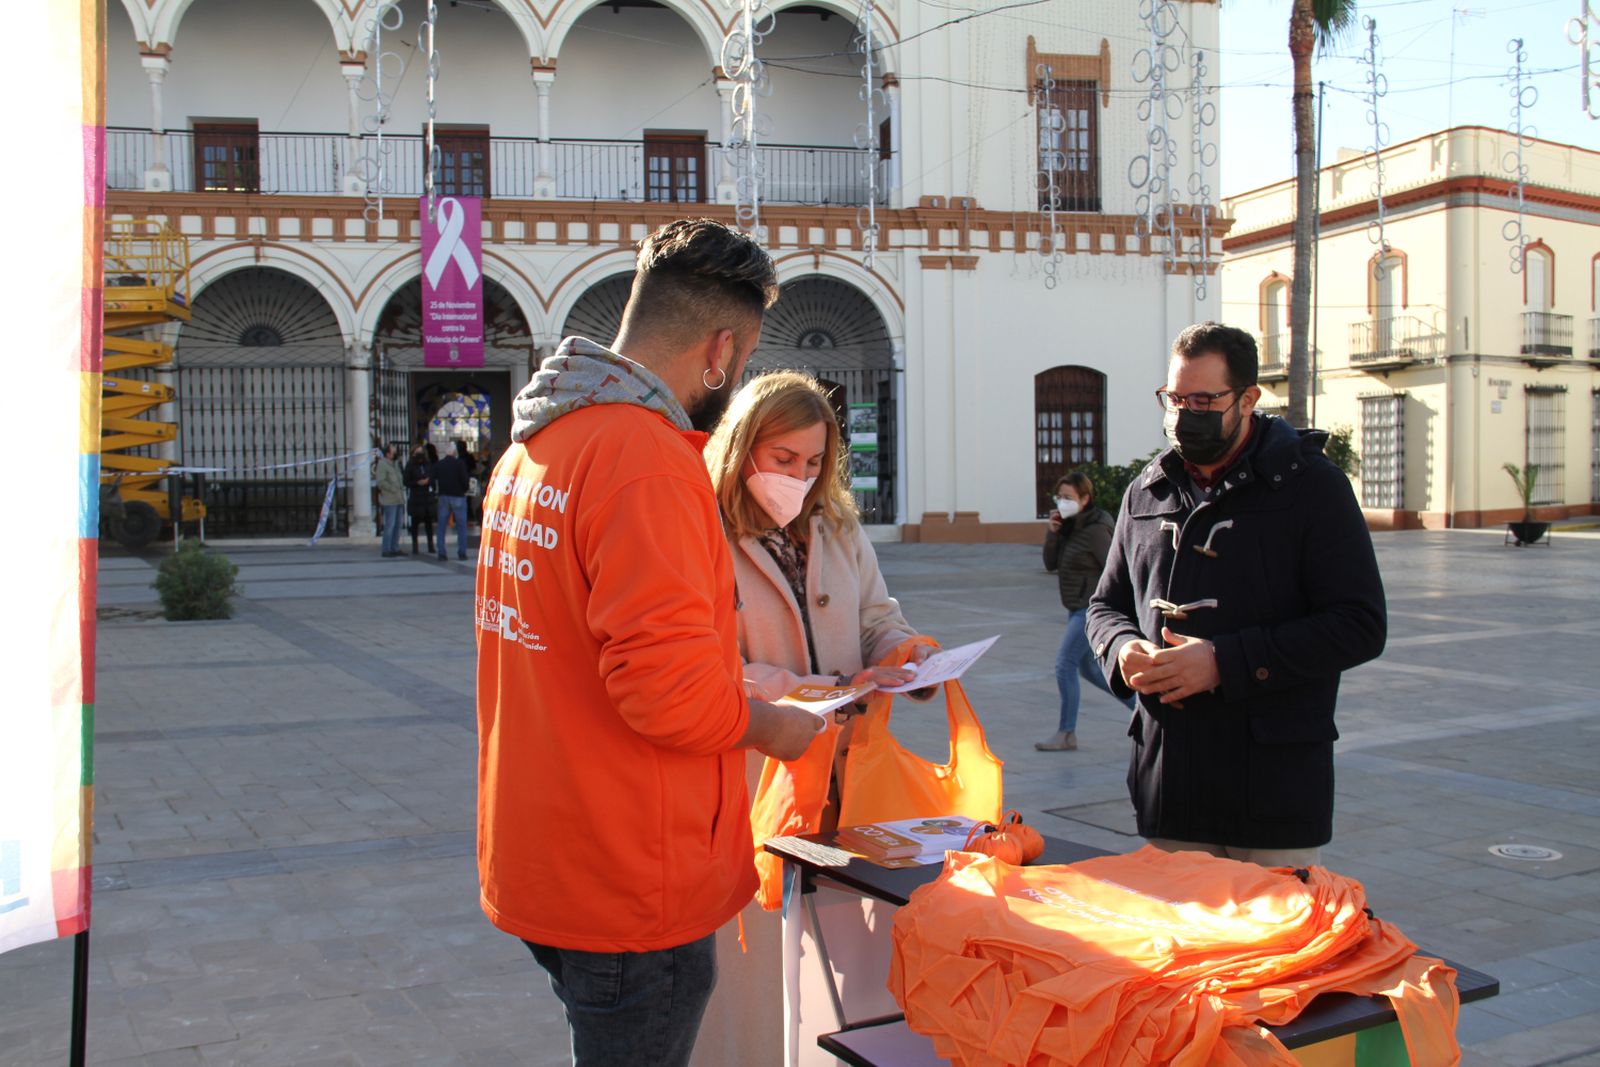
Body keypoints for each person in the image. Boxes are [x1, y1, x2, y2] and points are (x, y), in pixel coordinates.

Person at [475, 218, 824, 1067]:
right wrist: (775, 727)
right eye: (740, 362)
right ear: (719, 349)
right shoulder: (647, 461)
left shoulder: (537, 445)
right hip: (628, 871)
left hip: (547, 850)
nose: (734, 377)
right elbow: (665, 692)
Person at [695, 370, 933, 1067]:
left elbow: (876, 616)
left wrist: (907, 655)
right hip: (753, 784)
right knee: (753, 971)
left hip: (844, 779)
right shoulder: (701, 530)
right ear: (742, 450)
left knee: (841, 958)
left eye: (812, 462)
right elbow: (709, 665)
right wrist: (813, 687)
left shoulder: (835, 526)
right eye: (782, 459)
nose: (798, 476)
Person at [1086, 322, 1387, 868]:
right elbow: (1105, 607)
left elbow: (1359, 623)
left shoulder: (1311, 487)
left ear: (1248, 398)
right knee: (1178, 944)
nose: (1184, 412)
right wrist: (1122, 649)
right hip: (1171, 778)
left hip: (1272, 787)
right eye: (1175, 398)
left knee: (1272, 950)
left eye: (1204, 399)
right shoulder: (1146, 491)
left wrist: (1224, 662)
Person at [1037, 471, 1132, 751]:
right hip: (1075, 606)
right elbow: (1050, 564)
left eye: (1069, 497)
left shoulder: (1096, 529)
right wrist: (1052, 534)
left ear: (1085, 498)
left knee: (1064, 663)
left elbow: (1115, 568)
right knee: (1089, 669)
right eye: (1059, 497)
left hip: (1090, 609)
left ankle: (1066, 733)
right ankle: (1146, 711)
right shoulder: (1069, 526)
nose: (1062, 502)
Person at [431, 441, 471, 561]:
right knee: (461, 526)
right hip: (458, 496)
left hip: (444, 496)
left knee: (441, 526)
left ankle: (441, 552)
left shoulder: (439, 464)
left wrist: (435, 492)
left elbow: (432, 480)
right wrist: (465, 490)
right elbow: (465, 480)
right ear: (454, 452)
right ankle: (462, 552)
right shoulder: (459, 464)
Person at [373, 443, 406, 558]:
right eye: (393, 451)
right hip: (390, 499)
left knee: (398, 524)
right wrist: (393, 489)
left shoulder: (396, 464)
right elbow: (381, 482)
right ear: (388, 454)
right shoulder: (382, 464)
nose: (396, 453)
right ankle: (386, 548)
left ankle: (395, 547)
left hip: (399, 499)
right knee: (390, 525)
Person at [403, 444, 435, 555]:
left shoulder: (428, 464)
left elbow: (433, 477)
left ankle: (431, 545)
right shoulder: (410, 465)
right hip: (416, 498)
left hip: (427, 497)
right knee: (415, 524)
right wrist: (417, 483)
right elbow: (406, 481)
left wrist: (428, 481)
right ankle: (415, 546)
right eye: (417, 452)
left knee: (428, 523)